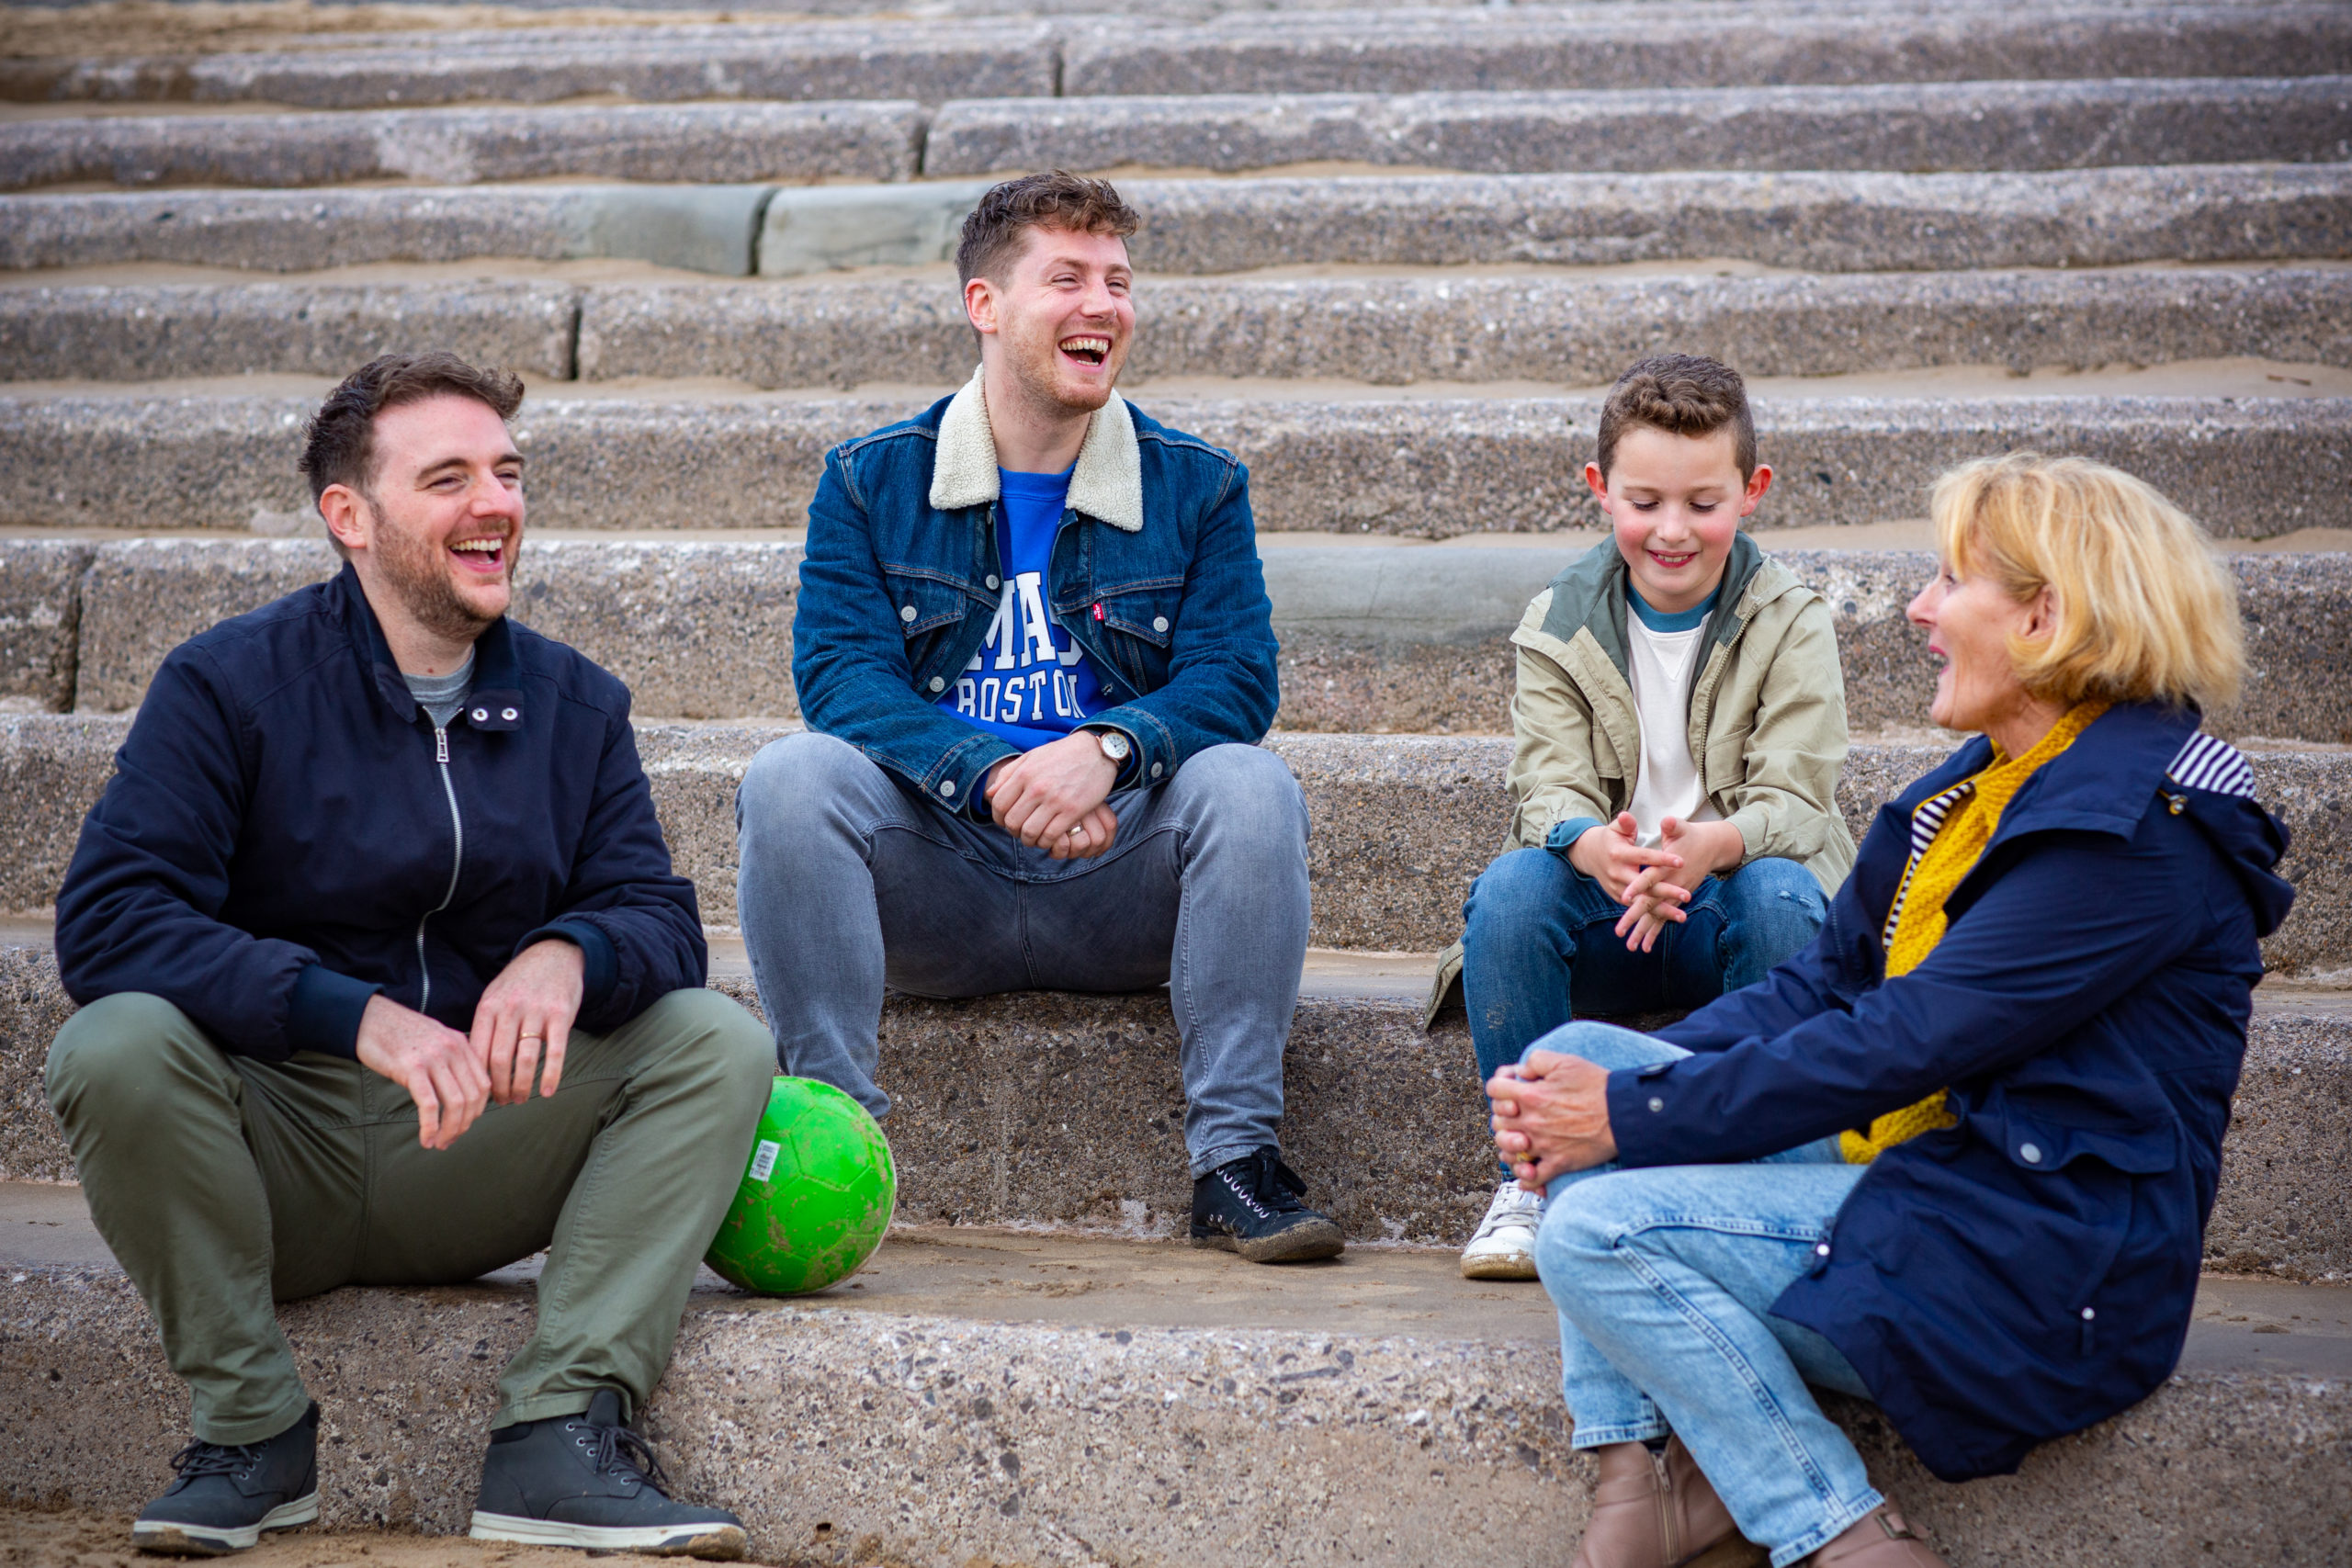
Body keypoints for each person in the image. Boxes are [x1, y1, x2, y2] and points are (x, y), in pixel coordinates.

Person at [1487, 453, 2293, 1568]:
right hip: (1928, 1171)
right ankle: (1645, 1471)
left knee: (1597, 1226)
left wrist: (1632, 1119)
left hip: (2035, 1260)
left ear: (2045, 618)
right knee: (1570, 1051)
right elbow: (1821, 989)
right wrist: (1614, 1086)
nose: (1917, 607)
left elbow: (1909, 1041)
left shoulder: (2137, 836)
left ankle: (1837, 1530)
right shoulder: (1971, 789)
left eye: (1950, 581)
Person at [46, 353, 774, 1560]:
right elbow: (112, 918)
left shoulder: (576, 703)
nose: (496, 503)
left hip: (485, 1141)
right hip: (275, 1147)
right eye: (449, 477)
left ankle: (559, 1434)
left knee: (716, 1039)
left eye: (509, 472)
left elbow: (658, 914)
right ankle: (251, 1432)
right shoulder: (230, 685)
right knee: (110, 1043)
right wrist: (348, 1013)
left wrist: (570, 950)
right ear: (351, 516)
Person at [734, 172, 1339, 1265]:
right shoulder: (873, 482)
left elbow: (1235, 680)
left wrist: (1105, 753)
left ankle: (1235, 1165)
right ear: (986, 305)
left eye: (1117, 280)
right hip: (940, 877)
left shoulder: (1195, 486)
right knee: (792, 777)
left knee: (1252, 785)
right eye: (1066, 278)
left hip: (1121, 877)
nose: (1102, 304)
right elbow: (840, 678)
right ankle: (836, 1144)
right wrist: (989, 774)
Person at [1430, 355, 1855, 1280]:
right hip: (1605, 908)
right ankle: (1529, 1181)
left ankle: (1749, 1173)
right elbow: (1545, 784)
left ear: (1751, 492)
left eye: (1702, 503)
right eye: (1644, 501)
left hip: (1728, 906)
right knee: (1510, 890)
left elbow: (1798, 796)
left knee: (1786, 893)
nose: (1672, 531)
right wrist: (1588, 845)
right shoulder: (1559, 620)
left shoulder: (1790, 619)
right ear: (1599, 490)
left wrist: (1714, 845)